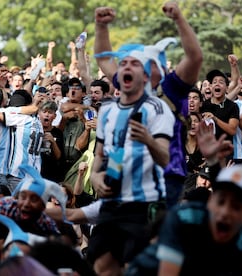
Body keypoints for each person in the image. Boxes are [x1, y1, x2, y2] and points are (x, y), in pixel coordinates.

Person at [89, 11, 175, 275]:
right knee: (99, 266)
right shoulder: (108, 111)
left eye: (133, 63)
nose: (124, 67)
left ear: (147, 76)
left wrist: (148, 140)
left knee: (133, 268)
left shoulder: (157, 108)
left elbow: (165, 159)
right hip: (113, 202)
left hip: (144, 204)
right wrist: (95, 176)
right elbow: (105, 155)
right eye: (122, 63)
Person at [95, 1, 203, 209]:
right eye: (130, 61)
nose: (134, 64)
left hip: (166, 176)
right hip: (127, 175)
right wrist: (101, 26)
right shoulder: (129, 86)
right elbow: (104, 60)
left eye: (143, 61)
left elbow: (195, 57)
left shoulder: (171, 86)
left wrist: (179, 18)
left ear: (159, 67)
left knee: (154, 234)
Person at [126, 165, 242, 275]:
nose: (225, 212)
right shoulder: (184, 218)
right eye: (220, 202)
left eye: (236, 207)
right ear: (210, 202)